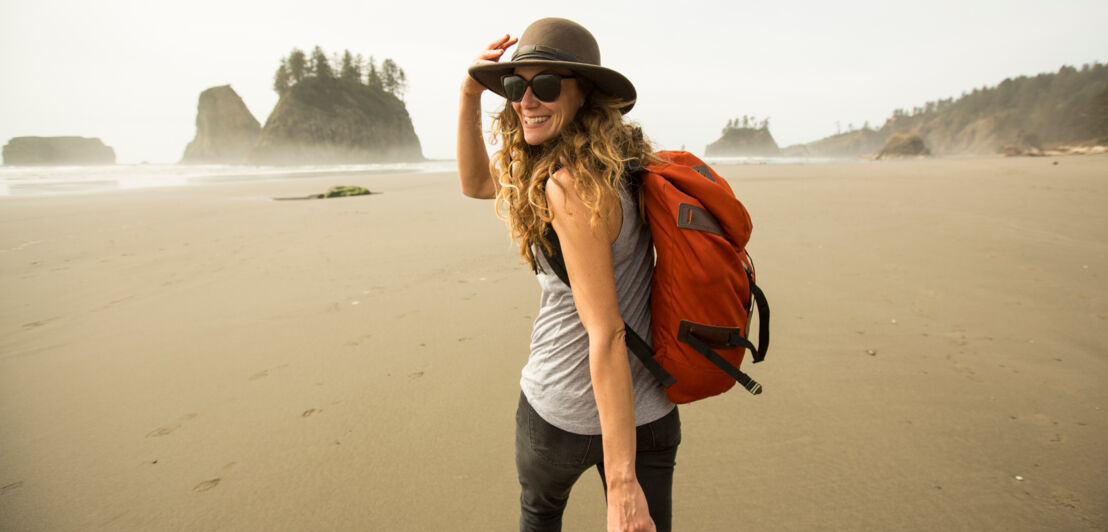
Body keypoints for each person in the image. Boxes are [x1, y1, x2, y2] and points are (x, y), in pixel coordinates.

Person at [457, 18, 680, 532]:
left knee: (540, 517)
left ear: (586, 95)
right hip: (648, 413)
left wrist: (622, 483)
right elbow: (474, 183)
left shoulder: (569, 184)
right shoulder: (628, 164)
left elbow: (607, 333)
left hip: (560, 410)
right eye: (516, 86)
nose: (526, 101)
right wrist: (471, 92)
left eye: (548, 85)